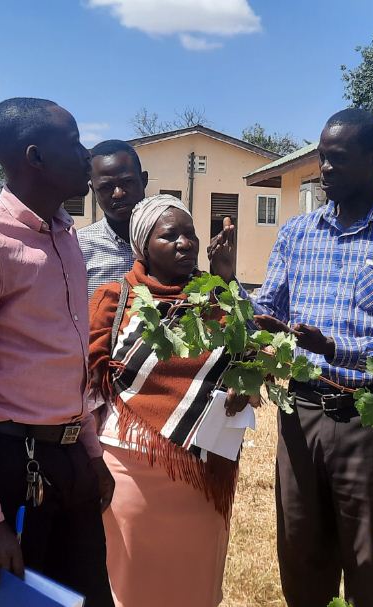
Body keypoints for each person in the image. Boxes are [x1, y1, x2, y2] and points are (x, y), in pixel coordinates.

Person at [252, 108, 373, 607]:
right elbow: (267, 307)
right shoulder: (297, 233)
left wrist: (336, 349)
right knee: (299, 552)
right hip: (300, 414)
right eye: (321, 157)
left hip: (367, 418)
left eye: (337, 159)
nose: (324, 169)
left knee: (367, 561)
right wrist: (227, 290)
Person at [0, 97, 114, 605]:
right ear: (34, 157)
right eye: (74, 143)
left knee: (87, 596)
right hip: (13, 467)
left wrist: (92, 455)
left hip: (69, 458)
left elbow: (68, 362)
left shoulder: (64, 235)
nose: (87, 155)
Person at [87, 195, 253, 607]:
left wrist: (227, 280)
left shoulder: (217, 298)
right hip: (131, 466)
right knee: (132, 582)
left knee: (194, 582)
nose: (185, 243)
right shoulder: (115, 299)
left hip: (201, 469)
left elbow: (250, 353)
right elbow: (88, 381)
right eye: (170, 236)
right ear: (143, 246)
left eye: (190, 235)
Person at [77, 139, 238, 296]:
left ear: (144, 180)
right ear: (93, 189)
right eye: (106, 187)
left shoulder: (178, 239)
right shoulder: (78, 247)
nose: (118, 193)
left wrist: (224, 277)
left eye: (127, 182)